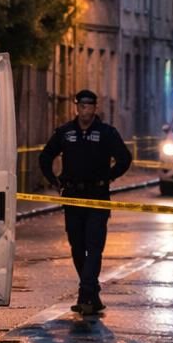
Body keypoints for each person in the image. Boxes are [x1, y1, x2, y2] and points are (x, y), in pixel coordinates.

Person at [39, 89, 133, 315]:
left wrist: (108, 177)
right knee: (77, 247)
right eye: (81, 106)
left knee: (94, 246)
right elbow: (45, 157)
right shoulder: (65, 132)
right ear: (76, 107)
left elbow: (124, 159)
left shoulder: (106, 132)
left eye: (89, 106)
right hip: (72, 197)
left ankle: (85, 294)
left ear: (94, 108)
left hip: (97, 197)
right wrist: (54, 181)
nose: (85, 110)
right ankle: (92, 293)